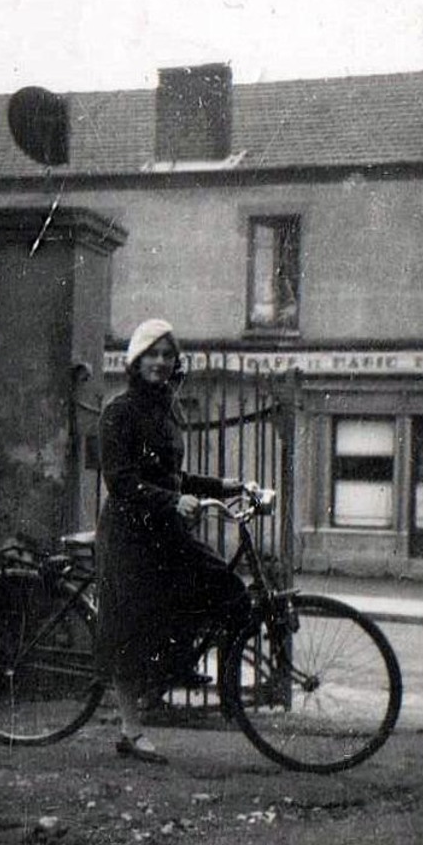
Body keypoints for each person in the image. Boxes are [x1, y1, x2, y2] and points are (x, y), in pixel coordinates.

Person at [95, 318, 249, 764]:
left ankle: (189, 671)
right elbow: (121, 482)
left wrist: (226, 486)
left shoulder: (168, 409)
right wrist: (173, 501)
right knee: (129, 630)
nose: (160, 363)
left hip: (164, 529)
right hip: (130, 534)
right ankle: (129, 729)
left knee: (229, 590)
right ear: (136, 361)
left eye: (168, 355)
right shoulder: (118, 411)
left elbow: (175, 478)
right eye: (152, 355)